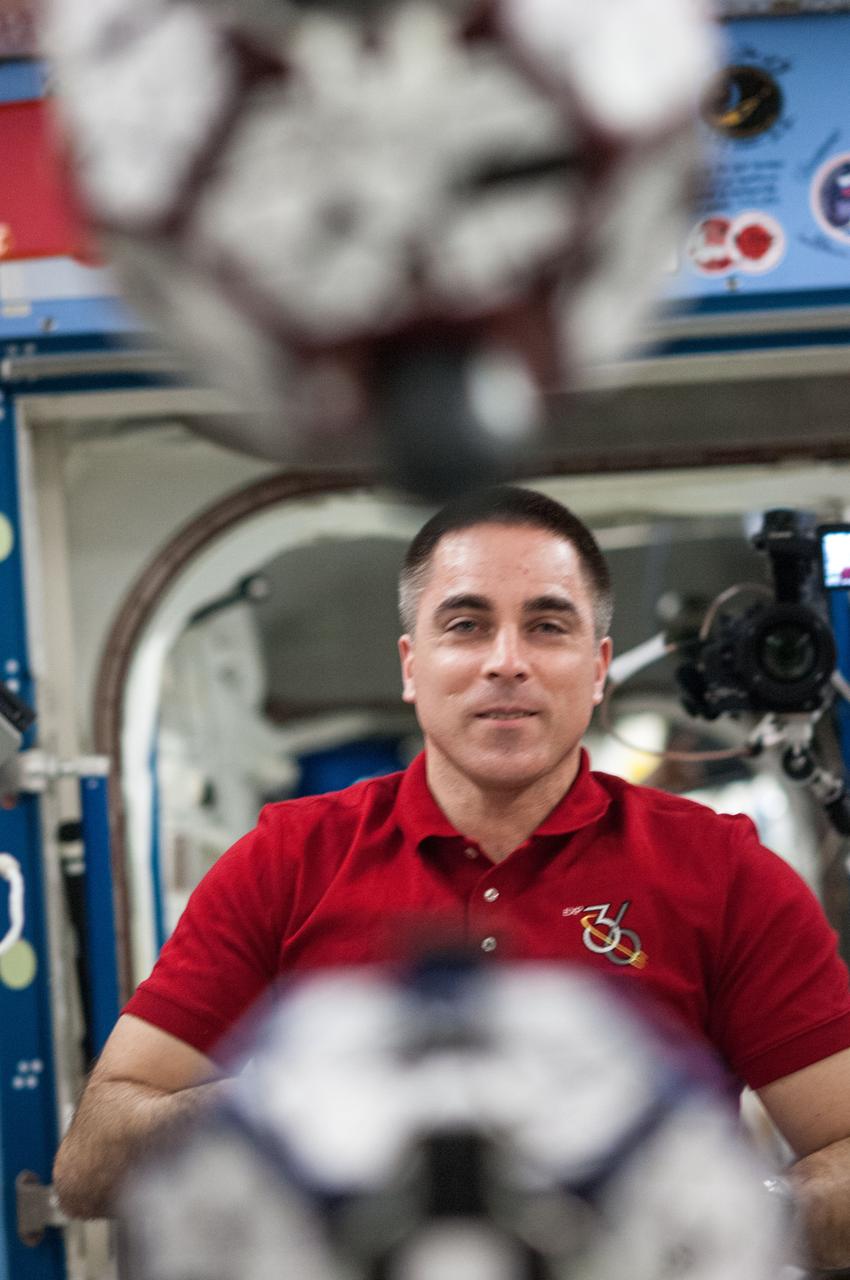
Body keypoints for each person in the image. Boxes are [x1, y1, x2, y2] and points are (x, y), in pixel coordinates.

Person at [53, 486, 850, 1269]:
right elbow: (89, 1162)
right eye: (467, 626)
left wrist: (716, 1217)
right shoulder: (286, 861)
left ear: (600, 667)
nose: (507, 662)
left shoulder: (724, 874)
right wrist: (283, 1104)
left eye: (547, 625)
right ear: (411, 663)